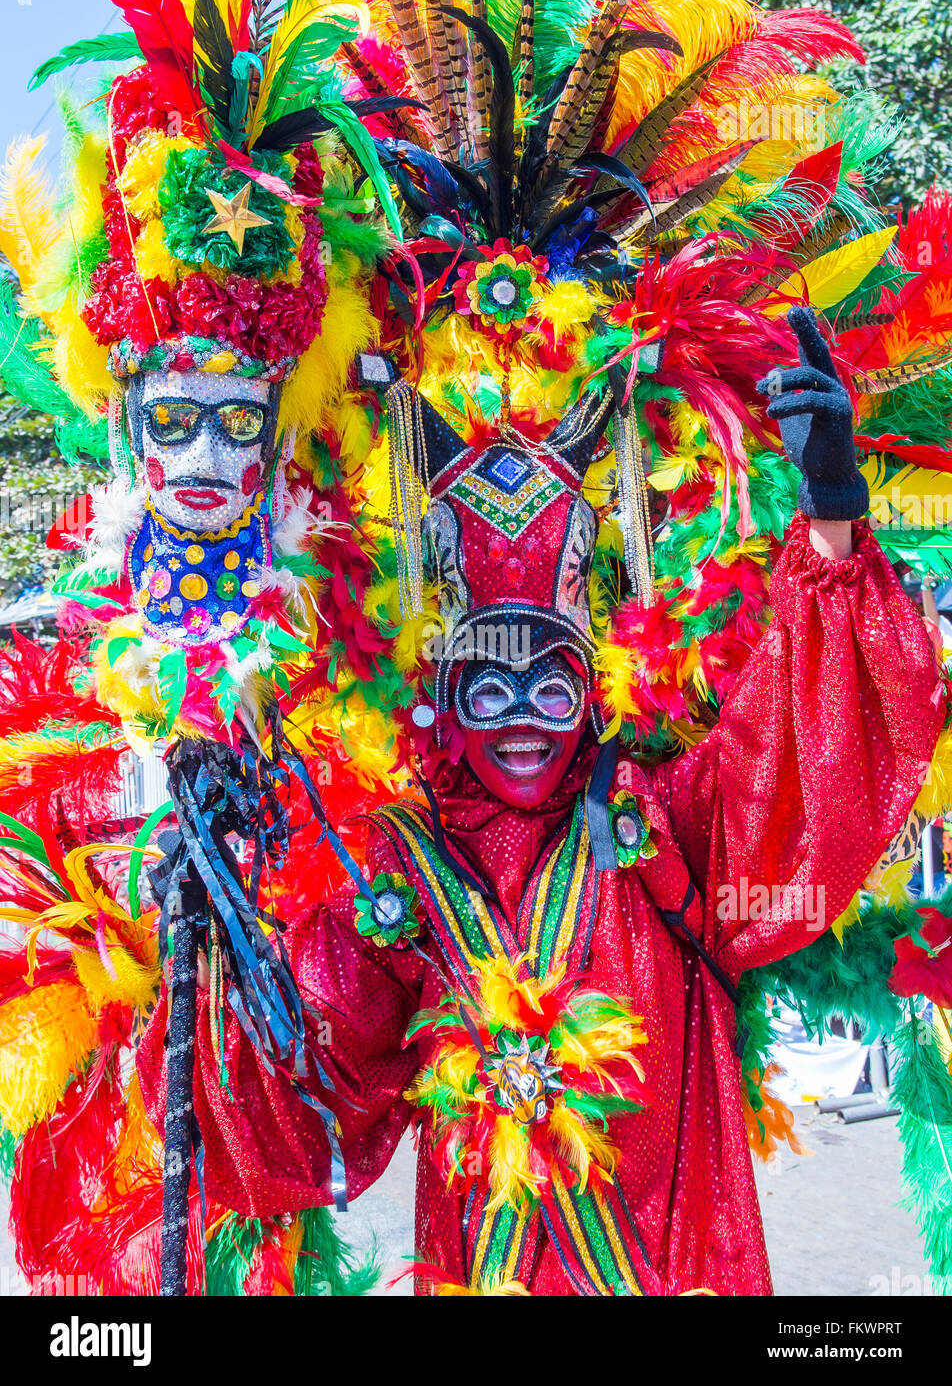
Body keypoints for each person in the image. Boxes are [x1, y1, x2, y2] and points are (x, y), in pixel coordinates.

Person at [138, 309, 946, 1295]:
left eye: (551, 687)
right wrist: (210, 921)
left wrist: (830, 513)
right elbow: (305, 1091)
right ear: (443, 694)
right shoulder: (394, 865)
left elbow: (808, 756)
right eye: (488, 687)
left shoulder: (661, 823)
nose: (521, 716)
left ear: (591, 682)